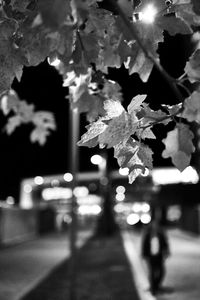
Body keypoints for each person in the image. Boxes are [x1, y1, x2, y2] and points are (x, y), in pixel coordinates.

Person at [141, 217, 170, 295]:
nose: (155, 227)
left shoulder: (161, 235)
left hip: (159, 257)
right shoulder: (148, 235)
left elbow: (165, 245)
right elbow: (144, 246)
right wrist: (144, 255)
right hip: (150, 257)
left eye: (156, 225)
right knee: (152, 272)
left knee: (161, 272)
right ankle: (153, 289)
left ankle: (156, 286)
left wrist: (167, 253)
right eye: (154, 225)